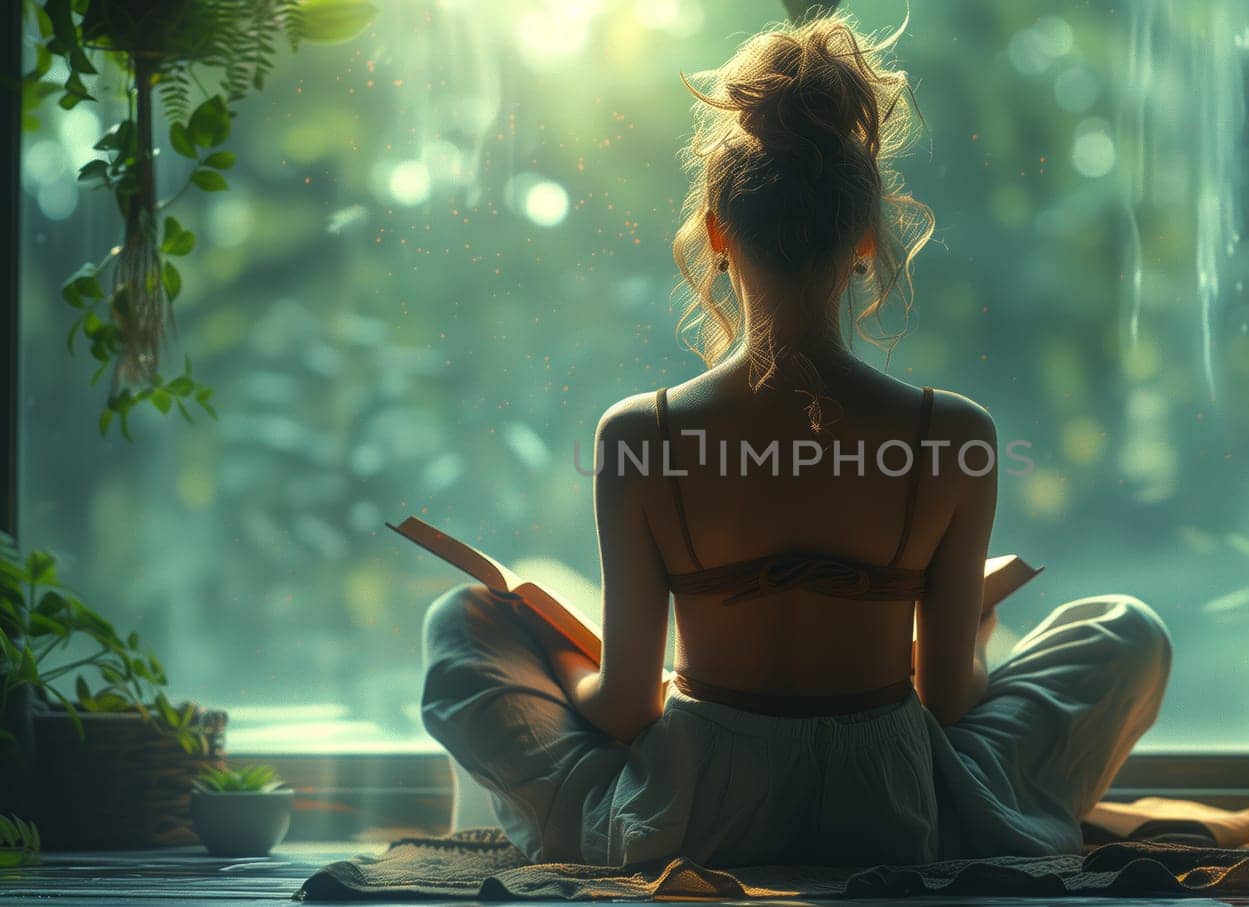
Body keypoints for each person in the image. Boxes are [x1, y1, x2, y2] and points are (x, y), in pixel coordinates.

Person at [420, 13, 1170, 869]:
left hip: (692, 820)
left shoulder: (640, 434)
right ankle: (986, 820)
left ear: (715, 231)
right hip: (897, 811)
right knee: (1124, 629)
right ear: (865, 239)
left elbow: (626, 710)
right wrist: (967, 637)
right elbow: (953, 700)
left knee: (463, 623)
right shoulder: (954, 435)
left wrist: (564, 664)